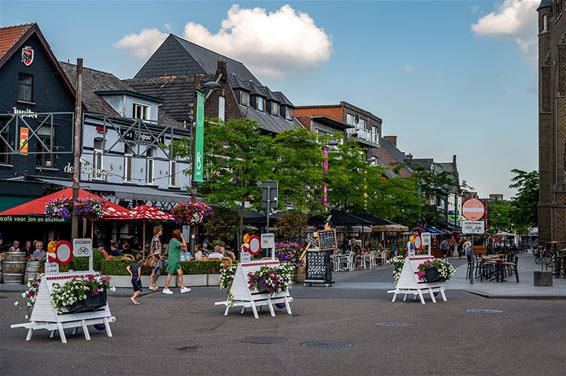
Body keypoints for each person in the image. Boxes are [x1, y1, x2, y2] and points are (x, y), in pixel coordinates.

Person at [162, 229, 191, 295]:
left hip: (175, 260)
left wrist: (183, 247)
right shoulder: (174, 241)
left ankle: (182, 288)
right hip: (173, 260)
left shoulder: (173, 241)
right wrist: (183, 237)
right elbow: (185, 246)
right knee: (170, 273)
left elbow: (184, 249)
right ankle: (165, 289)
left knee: (180, 273)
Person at [149, 226, 164, 291]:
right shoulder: (156, 239)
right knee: (154, 271)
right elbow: (156, 249)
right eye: (161, 231)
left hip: (155, 257)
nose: (162, 232)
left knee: (157, 271)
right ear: (158, 231)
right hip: (155, 258)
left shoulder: (155, 238)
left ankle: (153, 284)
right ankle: (151, 285)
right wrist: (159, 256)